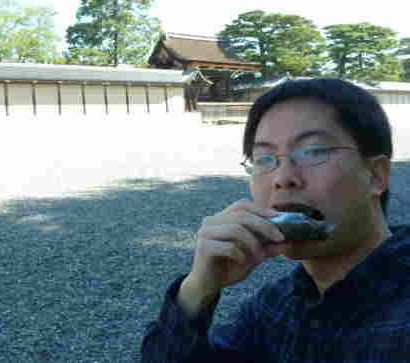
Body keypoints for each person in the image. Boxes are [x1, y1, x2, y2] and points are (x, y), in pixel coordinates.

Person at [141, 78, 410, 362]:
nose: (283, 178)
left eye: (315, 151)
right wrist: (196, 292)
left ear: (376, 175)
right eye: (264, 159)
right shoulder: (275, 307)